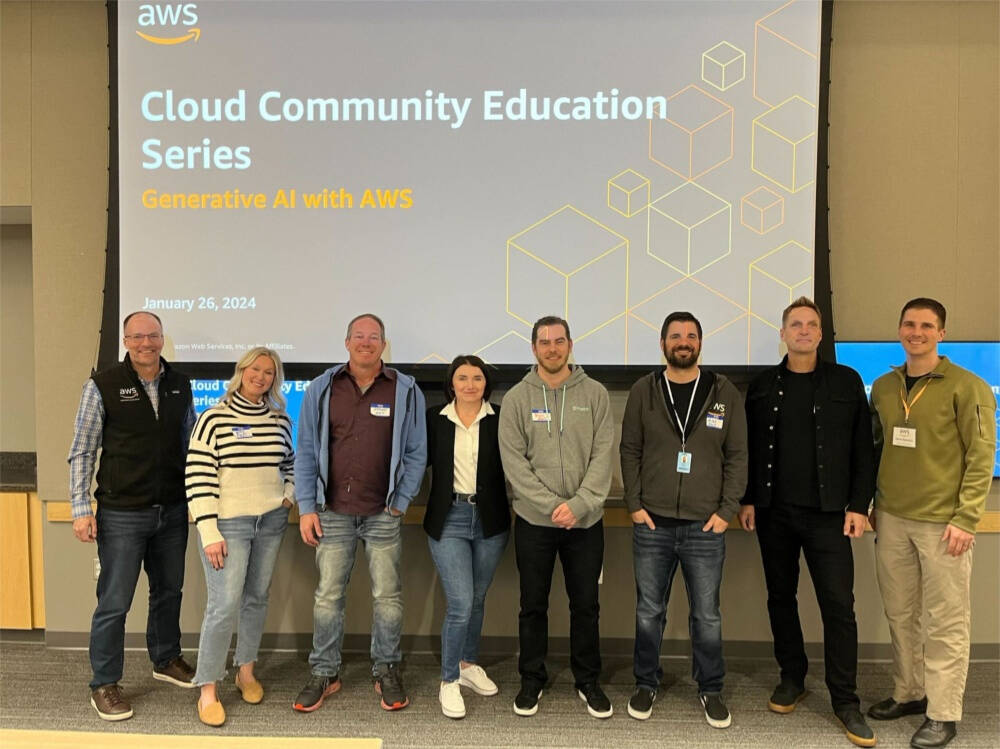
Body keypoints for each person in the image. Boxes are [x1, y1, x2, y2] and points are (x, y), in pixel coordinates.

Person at [739, 297, 876, 747]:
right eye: (795, 324)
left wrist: (859, 505)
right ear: (783, 333)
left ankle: (845, 700)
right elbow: (747, 449)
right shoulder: (762, 386)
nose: (803, 330)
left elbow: (864, 447)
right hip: (774, 512)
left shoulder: (846, 381)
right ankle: (792, 677)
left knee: (838, 606)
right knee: (781, 597)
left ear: (820, 333)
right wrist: (747, 499)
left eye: (811, 324)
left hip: (830, 516)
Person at [868, 298, 996, 749]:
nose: (916, 332)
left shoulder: (969, 387)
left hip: (944, 524)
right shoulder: (883, 387)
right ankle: (909, 693)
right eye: (909, 324)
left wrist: (967, 518)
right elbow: (875, 449)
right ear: (899, 329)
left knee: (946, 621)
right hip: (891, 518)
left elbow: (981, 457)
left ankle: (943, 713)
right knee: (901, 613)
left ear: (941, 333)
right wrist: (870, 504)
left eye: (926, 326)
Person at [293, 314, 427, 713]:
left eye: (373, 337)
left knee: (387, 596)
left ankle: (386, 669)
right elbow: (306, 451)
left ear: (384, 344)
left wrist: (401, 500)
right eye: (359, 336)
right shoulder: (321, 388)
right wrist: (306, 507)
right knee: (328, 597)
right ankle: (324, 672)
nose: (366, 342)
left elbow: (416, 452)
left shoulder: (405, 390)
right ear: (347, 342)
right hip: (332, 511)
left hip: (383, 512)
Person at [620, 311, 747, 729]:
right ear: (663, 344)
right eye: (675, 335)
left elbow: (737, 455)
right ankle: (645, 683)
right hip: (652, 524)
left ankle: (711, 688)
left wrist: (726, 511)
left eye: (691, 335)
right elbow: (630, 449)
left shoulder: (723, 391)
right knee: (648, 611)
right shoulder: (644, 390)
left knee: (706, 615)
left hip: (705, 526)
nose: (683, 341)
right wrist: (634, 503)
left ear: (700, 343)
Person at [67, 311, 197, 721]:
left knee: (169, 591)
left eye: (153, 335)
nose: (146, 343)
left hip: (172, 510)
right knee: (114, 602)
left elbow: (191, 444)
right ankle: (104, 683)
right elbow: (82, 450)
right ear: (126, 341)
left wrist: (197, 499)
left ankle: (166, 659)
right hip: (122, 513)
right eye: (137, 336)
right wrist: (80, 508)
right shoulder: (102, 385)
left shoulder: (180, 385)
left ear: (162, 339)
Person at [498, 315, 614, 719]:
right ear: (534, 348)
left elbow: (603, 454)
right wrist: (551, 506)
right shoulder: (516, 398)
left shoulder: (595, 394)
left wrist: (579, 505)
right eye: (544, 342)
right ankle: (532, 679)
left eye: (559, 341)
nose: (552, 348)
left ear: (570, 345)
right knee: (532, 605)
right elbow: (514, 464)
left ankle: (588, 681)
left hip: (586, 523)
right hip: (534, 524)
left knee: (586, 606)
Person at [185, 347, 295, 726]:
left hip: (270, 521)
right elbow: (198, 475)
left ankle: (245, 671)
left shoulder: (280, 420)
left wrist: (288, 496)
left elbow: (291, 463)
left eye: (269, 372)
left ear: (275, 379)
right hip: (227, 525)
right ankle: (208, 688)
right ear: (241, 370)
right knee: (223, 605)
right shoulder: (213, 418)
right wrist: (208, 529)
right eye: (255, 369)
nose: (260, 377)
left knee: (256, 599)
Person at [424, 355, 510, 719]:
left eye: (477, 378)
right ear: (451, 383)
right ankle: (448, 680)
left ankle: (468, 663)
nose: (470, 384)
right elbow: (414, 460)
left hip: (491, 520)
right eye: (462, 378)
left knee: (476, 597)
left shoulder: (501, 418)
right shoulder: (434, 419)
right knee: (460, 602)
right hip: (449, 519)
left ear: (486, 383)